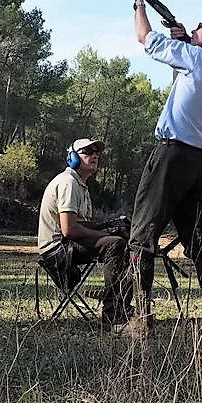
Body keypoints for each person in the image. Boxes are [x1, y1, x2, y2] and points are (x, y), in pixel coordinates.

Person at [118, 0, 202, 337]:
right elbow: (182, 82)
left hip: (172, 156)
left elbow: (145, 39)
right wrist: (183, 40)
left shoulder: (197, 59)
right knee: (199, 241)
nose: (198, 28)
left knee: (142, 235)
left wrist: (138, 1)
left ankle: (141, 319)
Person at [37, 137, 132, 326]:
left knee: (123, 239)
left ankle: (120, 303)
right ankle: (113, 315)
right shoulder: (68, 183)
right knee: (114, 244)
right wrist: (106, 235)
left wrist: (110, 226)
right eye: (88, 152)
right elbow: (69, 230)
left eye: (97, 152)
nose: (95, 155)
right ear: (72, 158)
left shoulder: (80, 184)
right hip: (58, 250)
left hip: (68, 245)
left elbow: (82, 224)